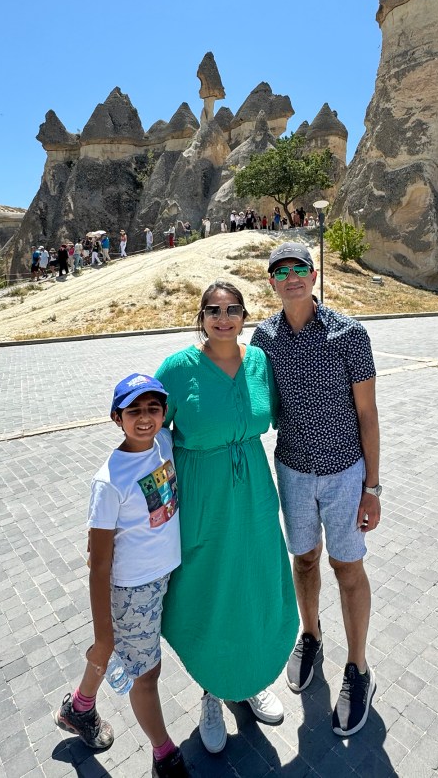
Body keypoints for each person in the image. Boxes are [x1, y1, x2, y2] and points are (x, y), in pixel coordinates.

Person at [155, 282, 298, 754]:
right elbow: (149, 434)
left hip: (254, 496)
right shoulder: (178, 369)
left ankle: (251, 680)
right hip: (204, 500)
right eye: (213, 310)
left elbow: (278, 415)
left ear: (244, 316)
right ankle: (212, 691)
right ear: (201, 317)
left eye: (232, 309)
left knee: (254, 586)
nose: (223, 318)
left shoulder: (258, 361)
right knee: (209, 593)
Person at [251, 242, 381, 737]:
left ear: (313, 275)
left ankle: (359, 668)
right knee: (304, 560)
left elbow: (368, 414)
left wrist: (373, 487)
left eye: (299, 268)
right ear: (272, 282)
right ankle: (311, 633)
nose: (291, 277)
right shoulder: (264, 338)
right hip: (293, 471)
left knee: (347, 566)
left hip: (346, 472)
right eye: (281, 270)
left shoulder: (350, 334)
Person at [53, 374, 189, 778]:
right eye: (134, 411)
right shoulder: (109, 482)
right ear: (117, 418)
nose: (145, 418)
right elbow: (98, 566)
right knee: (147, 675)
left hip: (164, 577)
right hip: (132, 590)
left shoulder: (163, 443)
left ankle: (79, 708)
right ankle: (164, 753)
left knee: (127, 656)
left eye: (153, 409)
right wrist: (102, 634)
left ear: (164, 414)